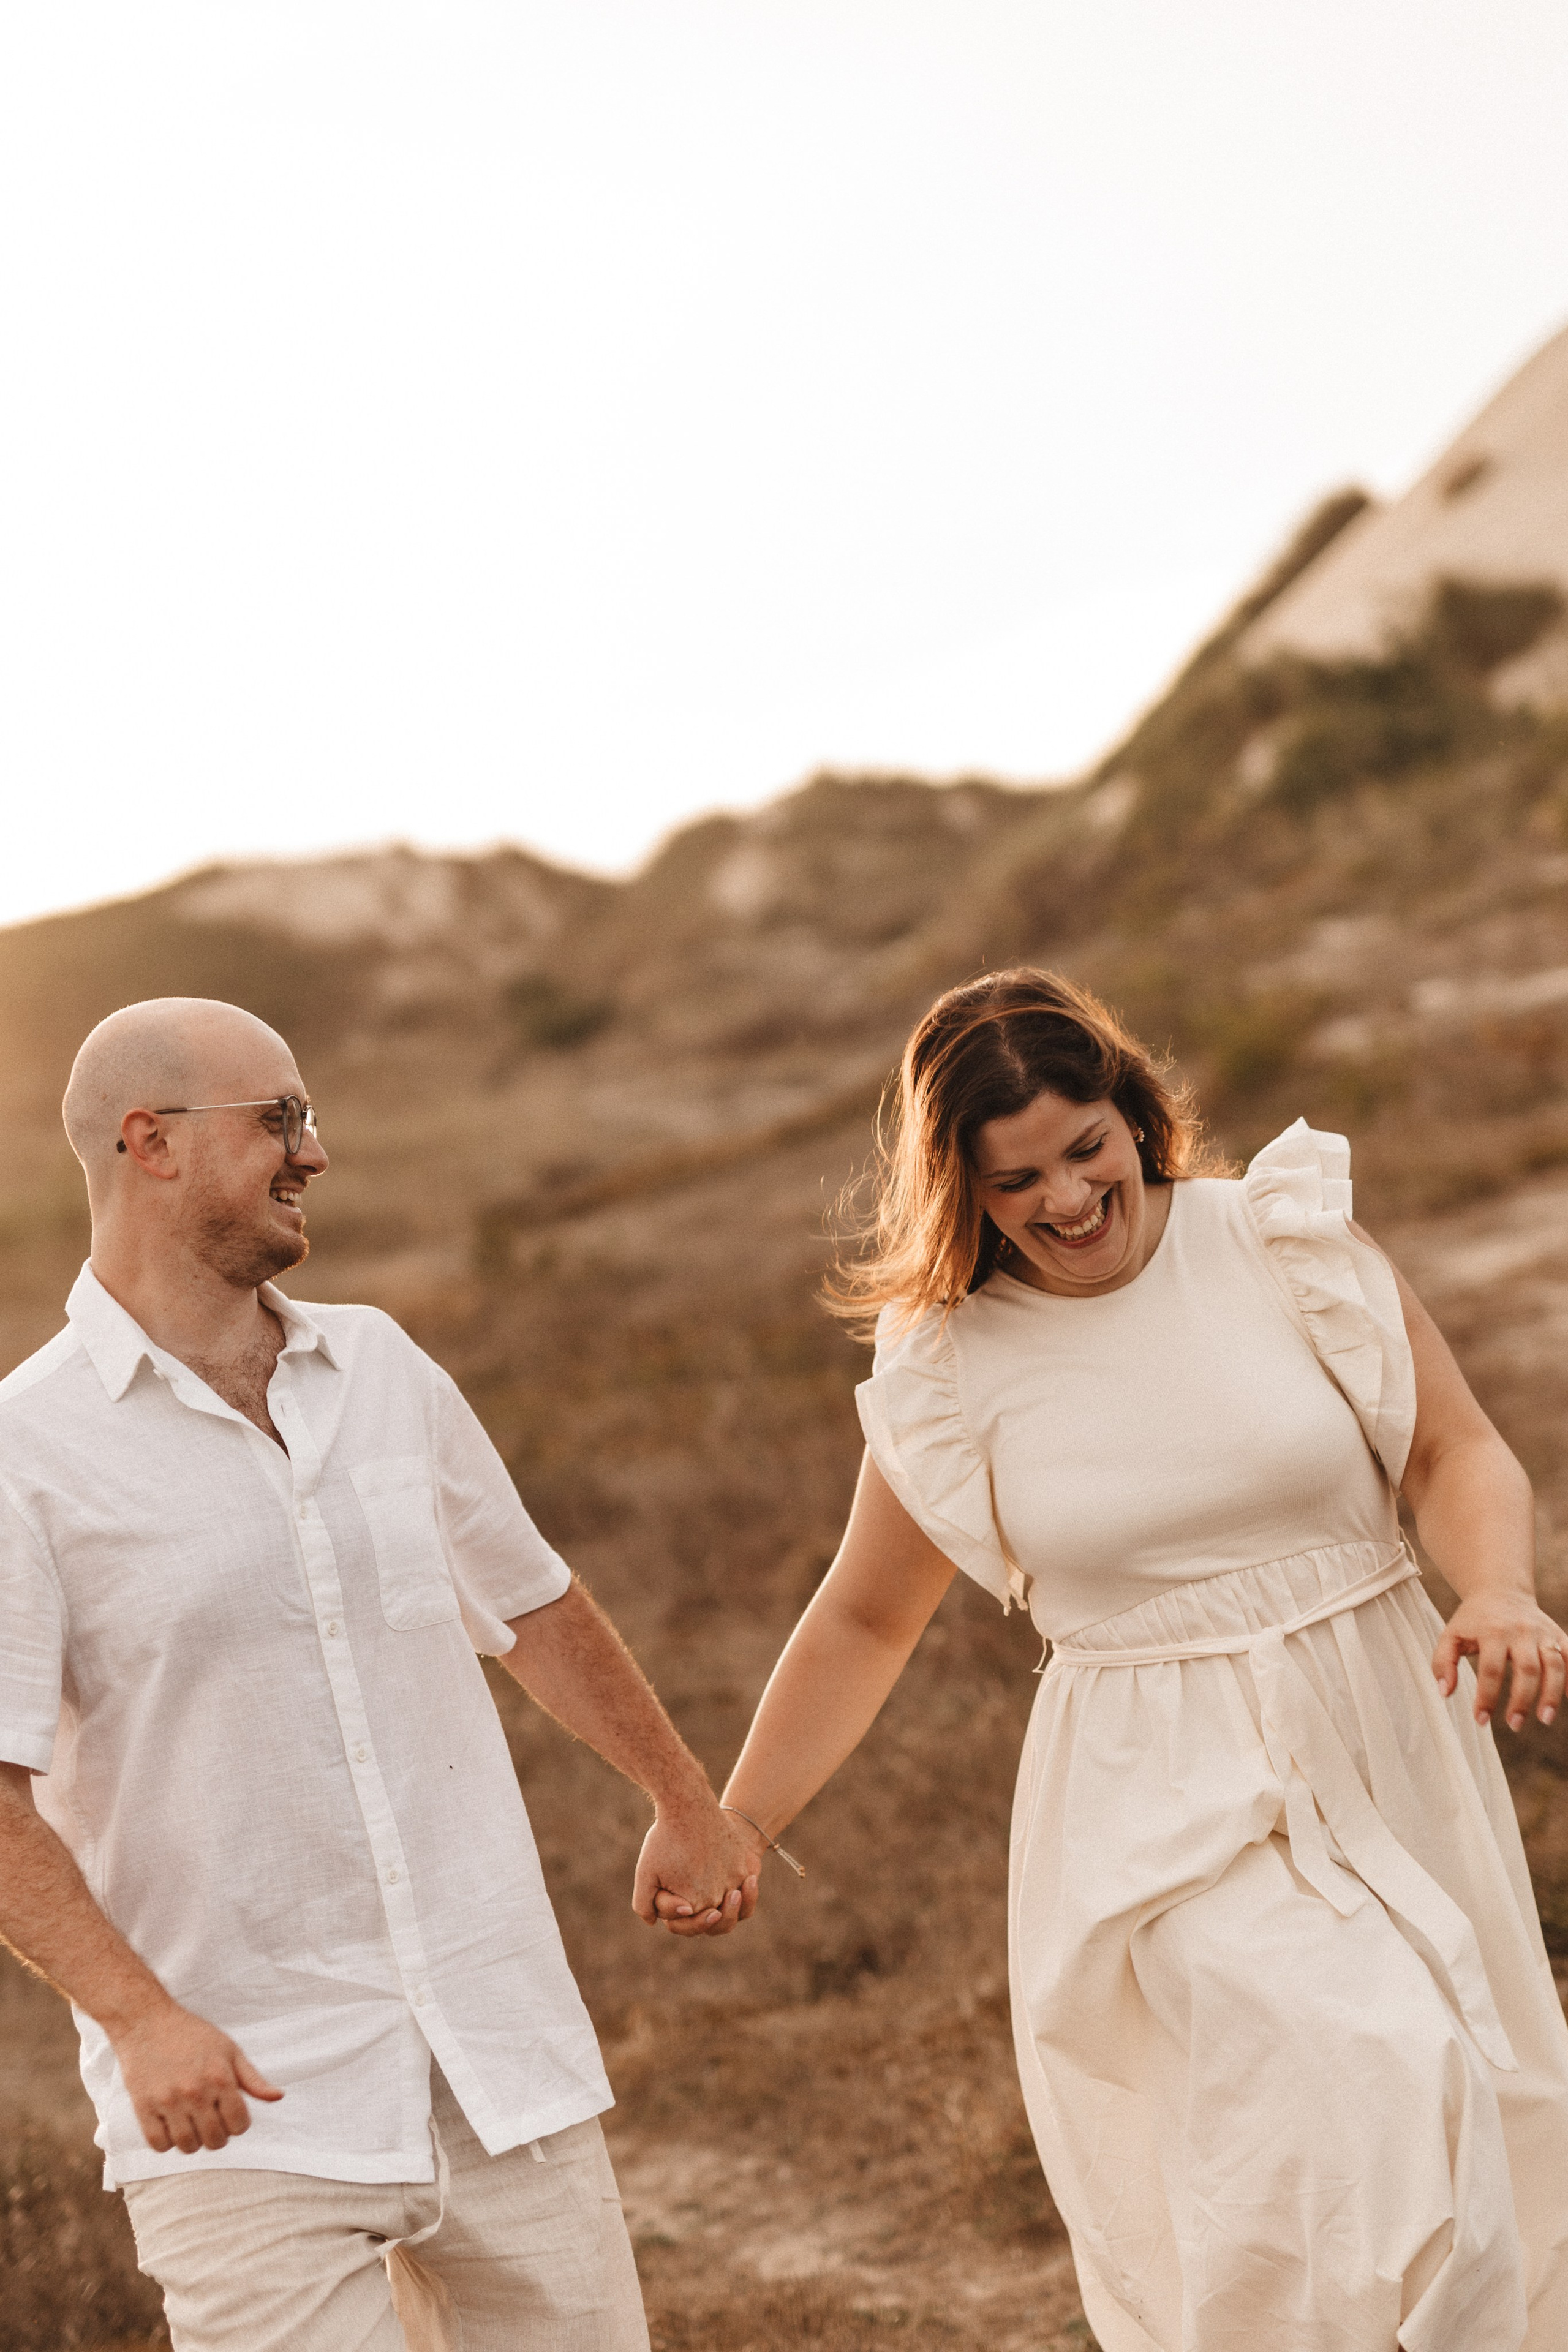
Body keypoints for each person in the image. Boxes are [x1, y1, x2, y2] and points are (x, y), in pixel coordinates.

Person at [706, 967, 1568, 2351]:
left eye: (1083, 1150)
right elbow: (863, 1617)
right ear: (958, 1190)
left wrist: (1504, 1592)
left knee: (1456, 2109)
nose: (1061, 1201)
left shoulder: (1278, 1243)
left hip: (1377, 1729)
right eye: (1011, 1183)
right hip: (1150, 1798)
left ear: (1132, 1110)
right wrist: (738, 1819)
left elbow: (1448, 1449)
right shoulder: (948, 1360)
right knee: (1369, 2073)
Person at [0, 996, 755, 2352]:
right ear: (149, 1142)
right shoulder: (25, 1455)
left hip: (496, 2050)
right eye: (280, 1118)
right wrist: (140, 2021)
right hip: (243, 2106)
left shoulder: (385, 1370)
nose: (317, 1152)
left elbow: (531, 1604)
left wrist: (681, 1796)